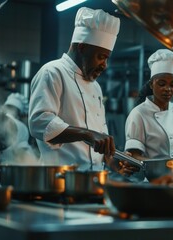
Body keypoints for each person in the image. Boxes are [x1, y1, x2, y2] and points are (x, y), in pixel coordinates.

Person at [28, 7, 134, 174]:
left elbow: (99, 138)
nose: (104, 65)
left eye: (107, 58)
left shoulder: (96, 86)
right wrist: (87, 134)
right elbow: (39, 122)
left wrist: (113, 162)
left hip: (94, 180)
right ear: (82, 47)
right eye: (101, 57)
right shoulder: (53, 72)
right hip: (59, 179)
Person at [124, 49, 173, 160]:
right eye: (162, 83)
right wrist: (158, 166)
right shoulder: (138, 114)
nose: (168, 89)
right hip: (155, 174)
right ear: (151, 84)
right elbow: (134, 155)